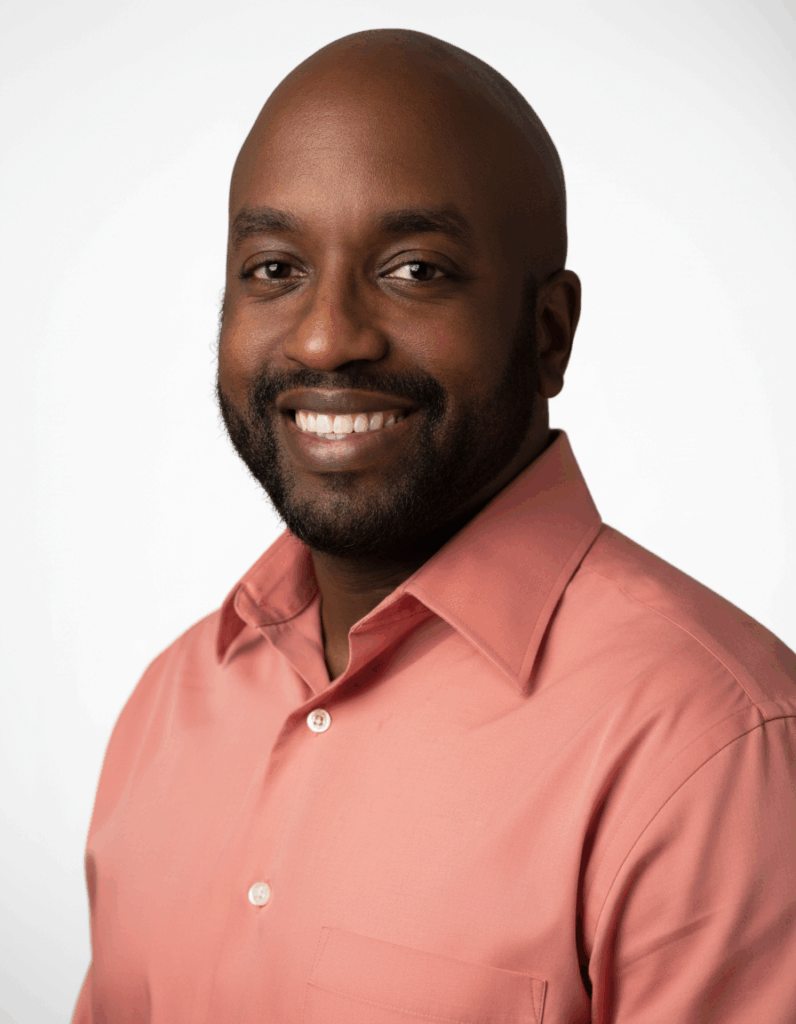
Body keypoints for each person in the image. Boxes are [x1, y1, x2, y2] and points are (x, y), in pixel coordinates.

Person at [72, 28, 796, 1024]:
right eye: (274, 268)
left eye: (415, 271)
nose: (327, 335)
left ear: (548, 334)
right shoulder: (167, 711)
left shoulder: (712, 743)